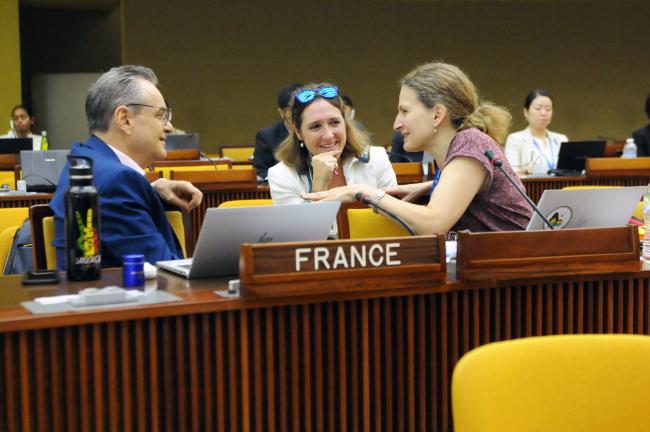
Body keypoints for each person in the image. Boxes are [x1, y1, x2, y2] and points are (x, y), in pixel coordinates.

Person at [302, 62, 532, 235]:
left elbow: (433, 223)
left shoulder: (471, 142)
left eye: (405, 111)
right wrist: (429, 186)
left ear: (437, 114)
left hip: (525, 280)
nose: (396, 124)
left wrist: (363, 192)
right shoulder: (455, 150)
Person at [50, 65, 203, 269]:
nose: (169, 127)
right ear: (125, 119)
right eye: (160, 115)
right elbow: (164, 272)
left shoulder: (87, 160)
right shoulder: (116, 182)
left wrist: (152, 189)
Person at [267, 83, 396, 205]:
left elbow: (392, 204)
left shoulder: (377, 158)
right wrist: (318, 189)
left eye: (335, 122)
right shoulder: (281, 175)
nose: (328, 135)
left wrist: (375, 197)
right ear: (298, 132)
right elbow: (300, 228)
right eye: (315, 126)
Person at [504, 89, 569, 176]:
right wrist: (524, 171)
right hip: (530, 188)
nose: (543, 113)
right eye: (538, 108)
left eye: (548, 109)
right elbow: (510, 174)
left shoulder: (561, 139)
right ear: (526, 112)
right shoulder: (515, 139)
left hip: (560, 187)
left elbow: (571, 170)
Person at [253, 83, 303, 181]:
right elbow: (261, 171)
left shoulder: (316, 132)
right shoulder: (266, 136)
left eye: (302, 108)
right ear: (281, 112)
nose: (298, 112)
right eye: (293, 109)